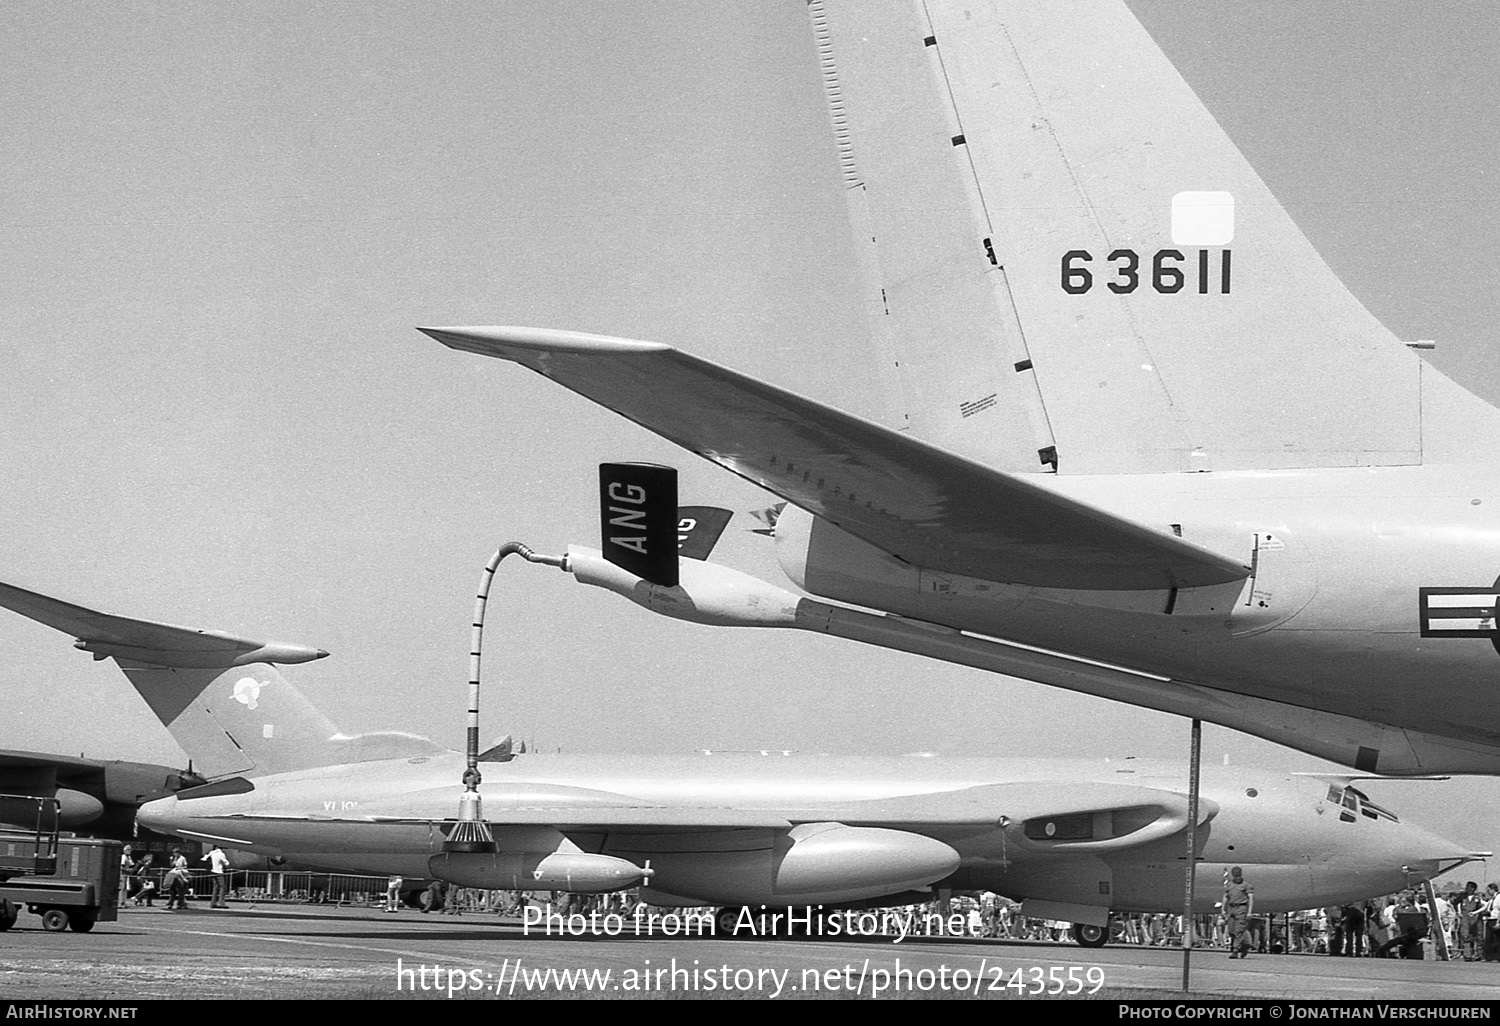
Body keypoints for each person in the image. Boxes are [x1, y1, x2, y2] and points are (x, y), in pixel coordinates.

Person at [1222, 867, 1254, 959]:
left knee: (1239, 930)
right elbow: (1225, 897)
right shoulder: (1230, 885)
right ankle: (1244, 946)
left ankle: (1235, 950)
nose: (1238, 877)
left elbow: (1251, 899)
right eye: (1236, 876)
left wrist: (1249, 912)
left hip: (1241, 908)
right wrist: (1223, 909)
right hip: (1231, 908)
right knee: (1231, 931)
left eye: (1239, 875)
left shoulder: (1246, 885)